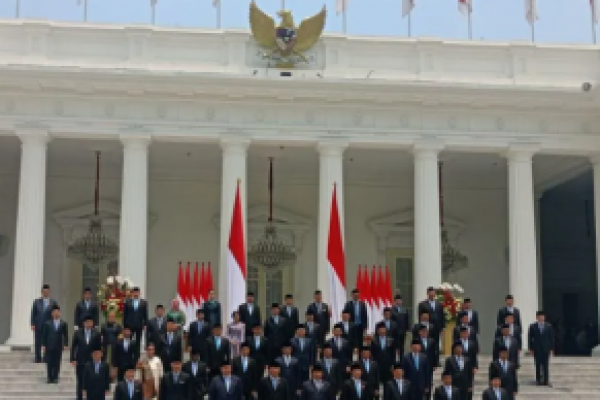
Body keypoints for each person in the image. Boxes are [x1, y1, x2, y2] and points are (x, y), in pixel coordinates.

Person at [72, 314, 103, 400]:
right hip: (80, 360)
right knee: (80, 381)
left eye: (91, 322)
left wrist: (99, 359)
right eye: (88, 322)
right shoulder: (78, 333)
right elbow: (74, 346)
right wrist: (73, 359)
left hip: (92, 361)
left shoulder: (97, 333)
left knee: (91, 380)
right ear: (84, 323)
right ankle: (79, 397)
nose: (90, 324)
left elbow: (99, 348)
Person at [417, 288, 445, 367]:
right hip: (426, 328)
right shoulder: (422, 304)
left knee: (436, 344)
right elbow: (420, 316)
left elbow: (442, 316)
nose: (432, 294)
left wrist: (442, 327)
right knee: (426, 344)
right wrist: (421, 327)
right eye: (430, 293)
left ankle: (436, 361)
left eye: (433, 293)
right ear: (428, 294)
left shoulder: (439, 304)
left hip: (436, 327)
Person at [31, 283, 58, 363]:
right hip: (38, 324)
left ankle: (46, 357)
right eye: (44, 291)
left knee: (48, 341)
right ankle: (37, 357)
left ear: (49, 292)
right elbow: (33, 313)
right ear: (42, 292)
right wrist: (32, 324)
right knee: (38, 341)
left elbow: (56, 313)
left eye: (47, 291)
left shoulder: (53, 302)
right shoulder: (37, 302)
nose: (45, 293)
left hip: (49, 325)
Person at [41, 304, 68, 383]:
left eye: (58, 312)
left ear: (60, 313)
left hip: (58, 345)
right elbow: (44, 335)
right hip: (49, 345)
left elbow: (65, 335)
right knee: (49, 362)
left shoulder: (63, 324)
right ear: (52, 314)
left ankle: (56, 377)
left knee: (57, 361)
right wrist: (43, 344)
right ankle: (49, 377)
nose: (56, 313)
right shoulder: (47, 323)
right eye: (54, 312)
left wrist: (65, 344)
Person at [528, 310, 554, 386]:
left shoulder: (548, 326)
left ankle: (546, 380)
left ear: (544, 317)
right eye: (539, 316)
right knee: (537, 364)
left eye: (542, 316)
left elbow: (551, 338)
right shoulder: (533, 326)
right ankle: (538, 380)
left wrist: (551, 348)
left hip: (546, 348)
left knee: (546, 365)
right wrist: (531, 348)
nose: (541, 318)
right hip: (537, 348)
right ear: (537, 317)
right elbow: (530, 338)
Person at [123, 287, 149, 355]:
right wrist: (125, 326)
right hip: (129, 325)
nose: (136, 293)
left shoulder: (144, 303)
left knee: (138, 342)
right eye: (135, 292)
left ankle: (137, 358)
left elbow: (145, 315)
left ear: (139, 293)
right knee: (128, 341)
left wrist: (145, 324)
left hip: (139, 325)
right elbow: (125, 315)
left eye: (137, 292)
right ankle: (128, 355)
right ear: (132, 293)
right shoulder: (127, 302)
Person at [391, 295, 410, 360]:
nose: (399, 302)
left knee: (402, 347)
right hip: (395, 332)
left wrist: (407, 329)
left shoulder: (404, 310)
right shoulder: (392, 310)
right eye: (397, 300)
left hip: (402, 331)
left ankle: (401, 361)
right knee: (394, 347)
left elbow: (407, 320)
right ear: (395, 301)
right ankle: (393, 361)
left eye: (400, 300)